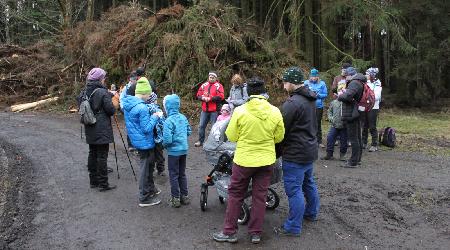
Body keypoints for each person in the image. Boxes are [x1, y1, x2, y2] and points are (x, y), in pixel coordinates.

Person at [212, 77, 285, 244]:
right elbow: (279, 137)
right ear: (263, 91)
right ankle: (255, 233)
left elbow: (231, 135)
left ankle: (229, 232)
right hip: (266, 160)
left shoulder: (240, 111)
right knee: (260, 196)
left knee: (235, 194)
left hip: (244, 160)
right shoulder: (275, 111)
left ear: (248, 92)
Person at [273, 66, 320, 237]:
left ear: (292, 83)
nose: (284, 85)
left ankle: (293, 227)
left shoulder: (292, 104)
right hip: (309, 149)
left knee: (294, 190)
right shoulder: (311, 98)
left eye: (285, 82)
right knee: (308, 183)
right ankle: (311, 213)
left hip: (295, 153)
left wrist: (275, 151)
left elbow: (281, 131)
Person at [122, 77, 162, 207]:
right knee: (146, 168)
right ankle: (144, 197)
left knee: (149, 165)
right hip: (145, 141)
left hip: (137, 140)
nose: (150, 96)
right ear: (144, 93)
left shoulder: (129, 103)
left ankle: (150, 189)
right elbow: (146, 128)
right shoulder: (142, 108)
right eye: (149, 94)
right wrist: (155, 117)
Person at [77, 67, 117, 191]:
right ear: (100, 79)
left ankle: (93, 181)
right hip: (102, 127)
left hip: (89, 126)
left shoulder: (83, 91)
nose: (105, 80)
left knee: (92, 153)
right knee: (102, 156)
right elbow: (110, 110)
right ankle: (103, 184)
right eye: (103, 77)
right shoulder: (101, 92)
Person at [162, 94, 192, 208]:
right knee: (182, 173)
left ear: (167, 107)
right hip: (184, 150)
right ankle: (185, 196)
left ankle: (175, 199)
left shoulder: (168, 121)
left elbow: (167, 139)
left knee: (173, 174)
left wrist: (164, 145)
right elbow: (188, 131)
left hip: (173, 152)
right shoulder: (183, 117)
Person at [337, 67, 365, 167]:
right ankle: (357, 159)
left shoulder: (354, 83)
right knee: (358, 137)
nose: (345, 77)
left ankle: (353, 162)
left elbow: (347, 96)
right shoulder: (360, 82)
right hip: (357, 111)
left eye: (346, 75)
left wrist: (340, 95)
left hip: (351, 113)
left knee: (354, 138)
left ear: (350, 75)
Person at [194, 71, 224, 147]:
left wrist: (210, 99)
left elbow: (221, 96)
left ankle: (212, 142)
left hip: (214, 110)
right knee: (201, 126)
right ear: (208, 77)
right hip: (204, 110)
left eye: (213, 77)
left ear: (216, 78)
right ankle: (200, 141)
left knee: (214, 127)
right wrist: (202, 98)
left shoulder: (219, 86)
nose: (211, 78)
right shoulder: (204, 85)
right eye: (210, 77)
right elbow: (198, 95)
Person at [321, 83, 348, 161]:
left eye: (342, 90)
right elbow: (329, 112)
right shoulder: (333, 102)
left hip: (344, 125)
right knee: (330, 138)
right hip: (334, 125)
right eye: (339, 90)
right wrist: (331, 118)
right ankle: (329, 154)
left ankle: (342, 155)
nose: (340, 92)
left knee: (343, 140)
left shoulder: (347, 103)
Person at [360, 67, 382, 152]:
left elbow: (377, 96)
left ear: (372, 75)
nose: (366, 75)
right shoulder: (364, 82)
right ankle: (364, 142)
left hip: (373, 107)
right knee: (364, 125)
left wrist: (367, 97)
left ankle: (374, 144)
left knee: (372, 126)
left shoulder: (377, 83)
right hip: (364, 106)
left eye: (367, 74)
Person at [304, 68, 328, 148]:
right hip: (308, 105)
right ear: (310, 76)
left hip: (318, 106)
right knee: (308, 122)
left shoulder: (322, 83)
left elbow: (325, 94)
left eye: (315, 77)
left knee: (317, 123)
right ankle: (308, 140)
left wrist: (318, 95)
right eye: (312, 76)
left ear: (317, 77)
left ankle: (319, 141)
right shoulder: (306, 83)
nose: (313, 78)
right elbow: (303, 92)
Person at [145, 92, 166, 176]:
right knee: (160, 154)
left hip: (150, 136)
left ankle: (151, 169)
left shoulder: (145, 108)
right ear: (153, 100)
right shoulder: (157, 110)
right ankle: (161, 169)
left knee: (151, 154)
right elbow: (162, 122)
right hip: (158, 136)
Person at [120, 71, 138, 151]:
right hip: (128, 109)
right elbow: (122, 98)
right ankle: (130, 145)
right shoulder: (126, 87)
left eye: (135, 79)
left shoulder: (138, 86)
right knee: (130, 126)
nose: (133, 80)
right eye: (132, 79)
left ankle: (137, 145)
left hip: (137, 109)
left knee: (137, 127)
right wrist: (123, 108)